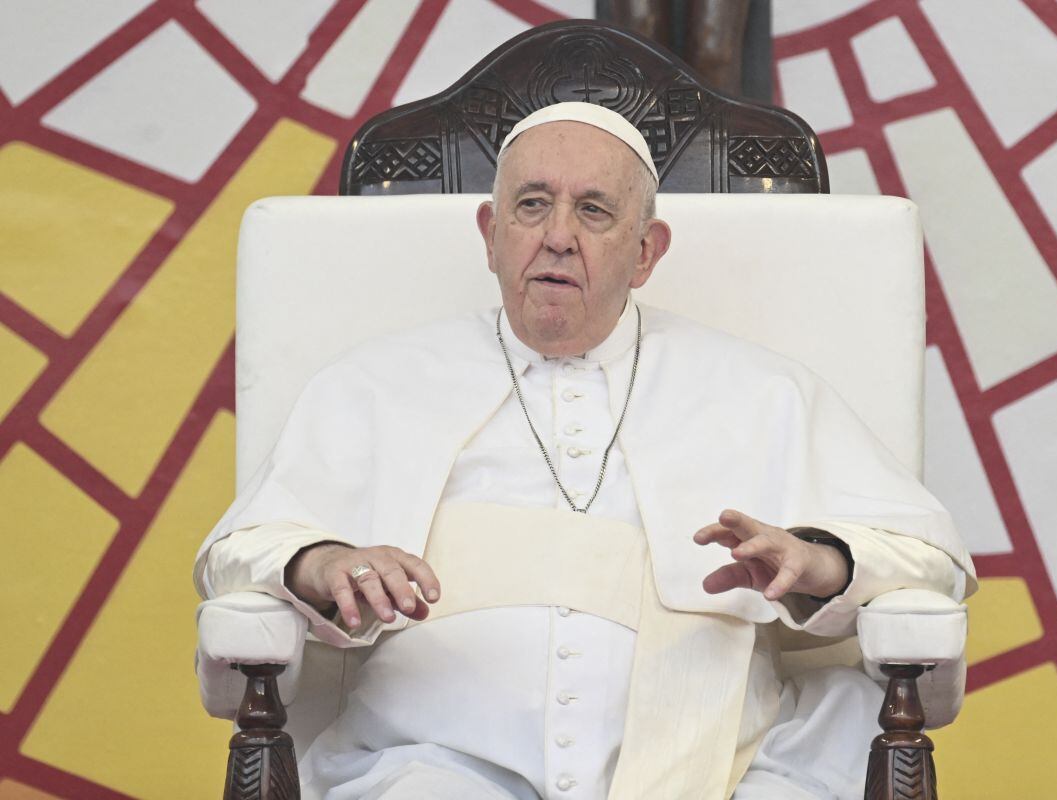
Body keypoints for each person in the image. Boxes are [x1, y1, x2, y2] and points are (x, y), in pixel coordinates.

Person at [196, 102, 975, 800]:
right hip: (431, 762)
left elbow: (930, 557)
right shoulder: (371, 385)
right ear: (491, 234)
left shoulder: (762, 390)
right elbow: (240, 550)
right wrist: (322, 560)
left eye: (593, 211)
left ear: (645, 252)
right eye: (532, 205)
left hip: (724, 764)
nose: (557, 236)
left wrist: (823, 560)